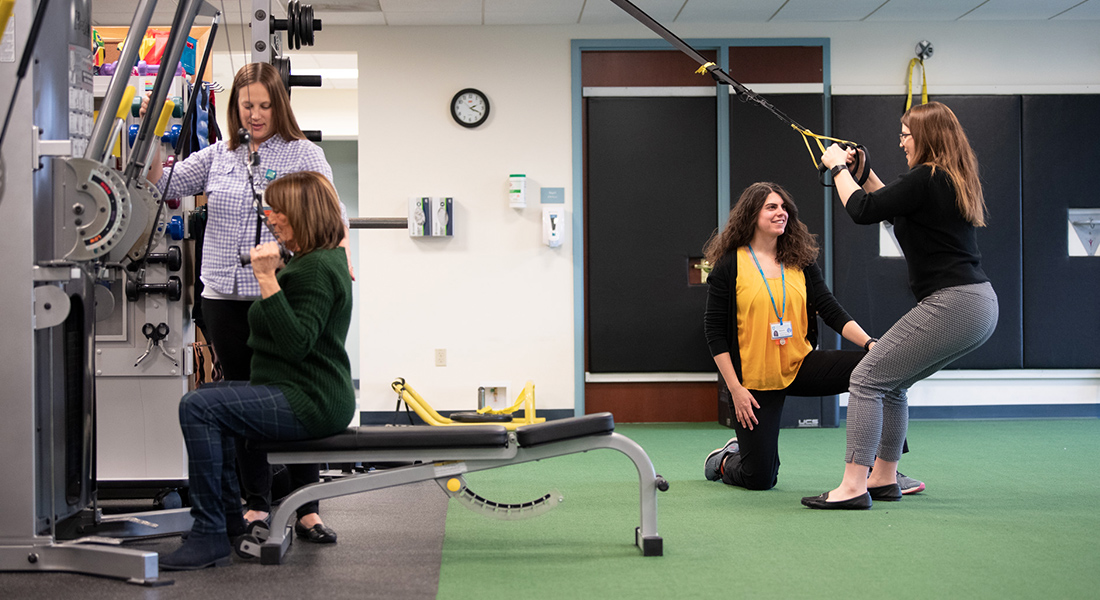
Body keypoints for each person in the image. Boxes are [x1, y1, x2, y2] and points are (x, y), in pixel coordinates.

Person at [147, 62, 350, 539]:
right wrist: (153, 135)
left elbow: (331, 214)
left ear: (279, 106)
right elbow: (161, 185)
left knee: (290, 387)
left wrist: (340, 262)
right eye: (246, 106)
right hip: (224, 293)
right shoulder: (219, 156)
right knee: (243, 393)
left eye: (264, 105)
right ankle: (257, 503)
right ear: (234, 107)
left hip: (279, 289)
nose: (255, 115)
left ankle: (307, 508)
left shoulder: (304, 153)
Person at [803, 101, 998, 510]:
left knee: (865, 379)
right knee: (892, 383)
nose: (901, 142)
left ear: (925, 137)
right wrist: (862, 174)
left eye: (905, 135)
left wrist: (837, 168)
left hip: (956, 302)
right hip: (977, 305)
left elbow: (862, 210)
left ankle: (853, 486)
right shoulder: (944, 178)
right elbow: (890, 208)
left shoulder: (927, 176)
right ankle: (884, 479)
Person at [161, 171, 355, 570]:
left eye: (278, 210)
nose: (270, 217)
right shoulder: (312, 260)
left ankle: (210, 533)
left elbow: (295, 344)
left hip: (311, 399)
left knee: (198, 407)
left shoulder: (316, 268)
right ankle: (228, 523)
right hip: (299, 390)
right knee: (208, 401)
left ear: (301, 213)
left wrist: (267, 277)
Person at [701, 182, 879, 491]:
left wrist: (870, 343)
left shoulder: (800, 260)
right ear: (752, 214)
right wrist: (735, 390)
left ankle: (886, 469)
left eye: (784, 207)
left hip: (800, 365)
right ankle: (725, 460)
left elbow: (830, 309)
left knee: (879, 368)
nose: (781, 212)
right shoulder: (730, 264)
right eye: (771, 207)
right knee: (759, 479)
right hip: (754, 381)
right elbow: (714, 331)